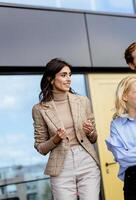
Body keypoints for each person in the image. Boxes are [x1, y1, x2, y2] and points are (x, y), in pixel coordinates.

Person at [32, 58, 100, 200]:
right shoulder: (39, 109)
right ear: (51, 79)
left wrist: (90, 131)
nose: (68, 79)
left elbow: (93, 138)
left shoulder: (83, 101)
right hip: (61, 167)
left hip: (86, 160)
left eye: (70, 75)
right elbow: (40, 147)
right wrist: (55, 139)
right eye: (63, 75)